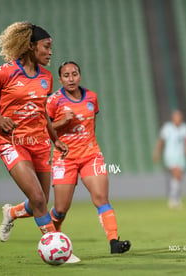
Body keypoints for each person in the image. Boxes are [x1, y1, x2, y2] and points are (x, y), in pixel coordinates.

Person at [0, 22, 70, 243]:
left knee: (41, 201)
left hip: (41, 143)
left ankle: (12, 212)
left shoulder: (46, 77)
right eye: (46, 46)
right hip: (13, 143)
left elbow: (43, 112)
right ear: (30, 46)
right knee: (37, 198)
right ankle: (57, 246)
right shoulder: (4, 73)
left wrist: (55, 139)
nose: (50, 52)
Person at [46, 61, 131, 254]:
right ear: (60, 79)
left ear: (80, 76)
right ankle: (51, 241)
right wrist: (61, 122)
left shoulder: (92, 97)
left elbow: (91, 125)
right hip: (64, 157)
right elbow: (44, 129)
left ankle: (114, 242)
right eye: (66, 75)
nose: (71, 78)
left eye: (74, 74)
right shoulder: (53, 101)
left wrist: (89, 144)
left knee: (101, 198)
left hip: (90, 156)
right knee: (60, 209)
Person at [153, 110, 186, 209]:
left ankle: (176, 198)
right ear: (173, 119)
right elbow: (161, 141)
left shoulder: (185, 129)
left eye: (179, 117)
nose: (178, 120)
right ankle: (173, 200)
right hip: (170, 155)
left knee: (178, 177)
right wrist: (157, 153)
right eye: (176, 117)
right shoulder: (167, 128)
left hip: (181, 156)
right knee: (176, 173)